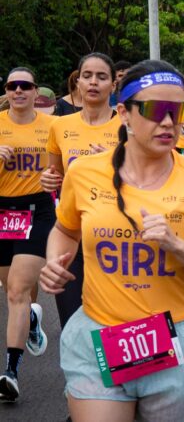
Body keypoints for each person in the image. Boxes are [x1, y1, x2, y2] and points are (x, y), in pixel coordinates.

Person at [39, 59, 184, 422]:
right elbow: (65, 230)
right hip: (100, 333)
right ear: (123, 114)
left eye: (176, 111)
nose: (168, 122)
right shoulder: (83, 172)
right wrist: (54, 261)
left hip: (171, 340)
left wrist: (177, 246)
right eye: (154, 110)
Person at [42, 53, 122, 329]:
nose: (93, 82)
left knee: (113, 321)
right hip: (72, 232)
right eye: (87, 76)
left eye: (102, 77)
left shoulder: (128, 128)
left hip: (116, 235)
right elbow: (56, 177)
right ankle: (80, 373)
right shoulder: (60, 126)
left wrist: (117, 163)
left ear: (113, 85)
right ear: (77, 82)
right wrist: (48, 182)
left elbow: (148, 179)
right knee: (73, 321)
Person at [0, 68, 55, 402]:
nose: (18, 90)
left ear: (36, 91)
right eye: (12, 85)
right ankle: (32, 318)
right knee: (10, 289)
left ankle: (10, 371)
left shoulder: (53, 127)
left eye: (25, 85)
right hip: (2, 210)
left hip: (37, 209)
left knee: (18, 290)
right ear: (6, 91)